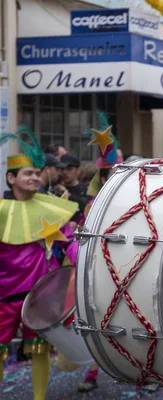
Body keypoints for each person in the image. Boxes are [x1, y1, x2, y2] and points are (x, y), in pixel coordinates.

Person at [0, 126, 78, 400]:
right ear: (11, 178)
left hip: (39, 297)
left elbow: (70, 244)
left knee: (40, 351)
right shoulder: (1, 211)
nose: (34, 177)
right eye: (27, 173)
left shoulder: (51, 208)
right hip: (4, 296)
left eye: (37, 173)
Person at [76, 112, 123, 392]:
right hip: (97, 273)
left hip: (129, 271)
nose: (110, 180)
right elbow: (79, 238)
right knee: (95, 322)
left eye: (115, 175)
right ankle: (92, 374)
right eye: (107, 175)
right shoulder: (91, 207)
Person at [55, 153, 89, 222]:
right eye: (62, 169)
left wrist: (68, 195)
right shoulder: (56, 188)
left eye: (69, 169)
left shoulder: (86, 189)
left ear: (78, 170)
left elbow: (88, 207)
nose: (65, 172)